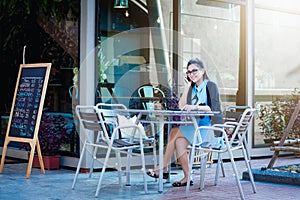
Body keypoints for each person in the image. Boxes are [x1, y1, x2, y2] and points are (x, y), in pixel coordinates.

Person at [147, 58, 224, 187]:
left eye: (195, 70)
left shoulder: (210, 86)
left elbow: (214, 109)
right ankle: (187, 177)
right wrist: (188, 86)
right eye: (188, 72)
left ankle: (162, 168)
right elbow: (181, 105)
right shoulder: (192, 88)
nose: (191, 74)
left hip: (210, 130)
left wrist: (195, 107)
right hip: (196, 128)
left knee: (175, 131)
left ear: (203, 71)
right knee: (179, 142)